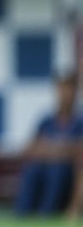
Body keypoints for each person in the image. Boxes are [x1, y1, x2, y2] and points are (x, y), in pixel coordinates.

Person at [17, 73, 82, 217]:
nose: (64, 94)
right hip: (44, 167)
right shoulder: (46, 121)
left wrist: (50, 148)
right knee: (31, 171)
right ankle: (21, 217)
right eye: (61, 89)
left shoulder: (79, 122)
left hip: (68, 174)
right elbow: (30, 148)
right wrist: (62, 149)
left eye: (68, 89)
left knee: (57, 171)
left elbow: (78, 151)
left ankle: (45, 217)